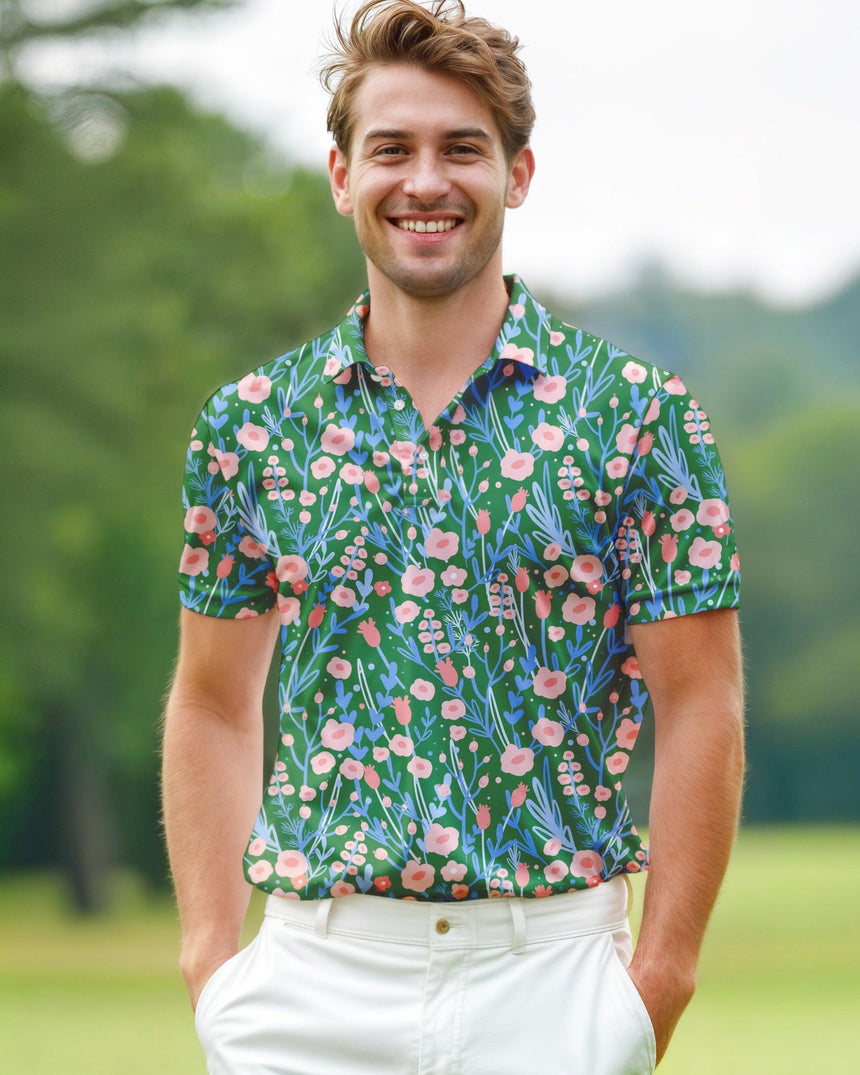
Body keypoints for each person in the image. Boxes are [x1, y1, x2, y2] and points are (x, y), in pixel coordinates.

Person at [162, 2, 744, 1072]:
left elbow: (699, 699)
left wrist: (656, 979)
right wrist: (212, 961)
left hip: (553, 978)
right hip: (309, 983)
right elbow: (210, 699)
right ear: (340, 176)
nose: (423, 181)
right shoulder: (251, 424)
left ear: (516, 174)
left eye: (461, 149)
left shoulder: (636, 416)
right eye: (390, 149)